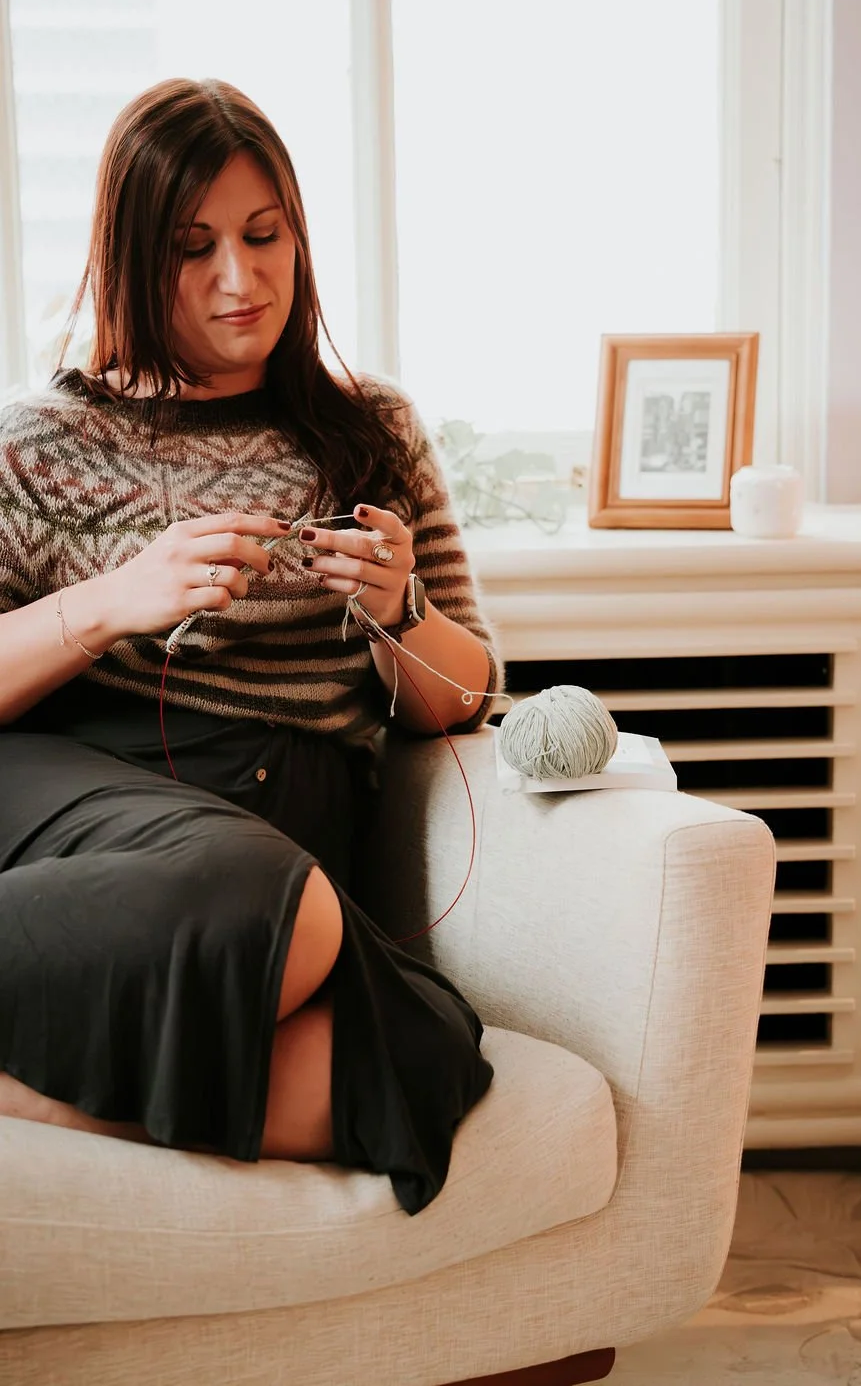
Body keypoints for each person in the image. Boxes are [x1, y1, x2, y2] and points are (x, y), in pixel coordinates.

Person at [0, 77, 502, 1216]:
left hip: (273, 821)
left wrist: (402, 613)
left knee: (415, 1063)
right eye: (195, 247)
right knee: (285, 904)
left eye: (265, 235)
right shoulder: (38, 442)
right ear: (131, 257)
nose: (242, 278)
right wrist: (116, 598)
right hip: (63, 808)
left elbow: (462, 693)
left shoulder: (370, 429)